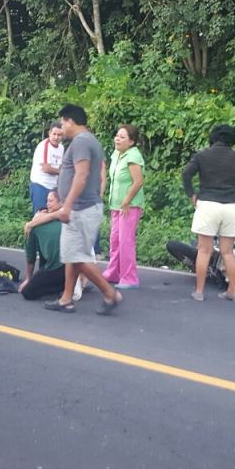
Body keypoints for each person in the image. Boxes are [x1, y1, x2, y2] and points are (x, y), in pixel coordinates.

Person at [43, 104, 123, 315]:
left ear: (70, 121)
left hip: (80, 208)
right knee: (72, 254)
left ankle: (110, 293)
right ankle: (66, 299)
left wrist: (66, 206)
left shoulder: (81, 142)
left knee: (76, 256)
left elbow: (82, 174)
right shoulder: (89, 140)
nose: (61, 129)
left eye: (62, 123)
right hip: (84, 206)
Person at [182, 124, 235, 302]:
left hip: (207, 203)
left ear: (212, 137)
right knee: (228, 252)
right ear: (233, 140)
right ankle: (232, 291)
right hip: (233, 205)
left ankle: (199, 291)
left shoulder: (202, 155)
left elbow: (186, 174)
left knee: (204, 250)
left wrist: (192, 194)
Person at [102, 124, 145, 289]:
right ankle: (113, 272)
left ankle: (129, 277)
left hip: (129, 205)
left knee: (126, 241)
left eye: (122, 137)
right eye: (117, 136)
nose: (117, 139)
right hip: (116, 204)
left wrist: (127, 200)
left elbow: (138, 181)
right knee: (114, 239)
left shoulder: (133, 156)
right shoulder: (116, 154)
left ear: (132, 141)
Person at [29, 122, 65, 214]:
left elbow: (61, 166)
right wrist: (62, 172)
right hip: (40, 185)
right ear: (49, 133)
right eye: (54, 134)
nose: (56, 137)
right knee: (40, 213)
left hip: (53, 187)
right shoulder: (44, 146)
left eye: (59, 135)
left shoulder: (61, 148)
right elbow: (46, 168)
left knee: (53, 214)